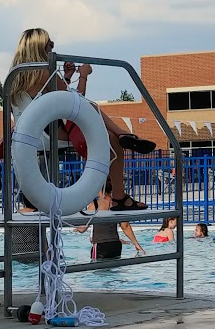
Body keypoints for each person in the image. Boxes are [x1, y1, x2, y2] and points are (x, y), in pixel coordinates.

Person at [8, 28, 155, 212]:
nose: (53, 45)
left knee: (102, 125)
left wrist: (67, 77)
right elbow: (77, 102)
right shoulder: (44, 72)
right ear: (39, 46)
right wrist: (84, 75)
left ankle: (123, 135)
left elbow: (54, 96)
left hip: (29, 137)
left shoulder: (16, 77)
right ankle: (119, 193)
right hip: (51, 134)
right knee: (110, 138)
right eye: (49, 42)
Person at [72, 193, 146, 260]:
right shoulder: (117, 204)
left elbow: (83, 229)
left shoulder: (94, 205)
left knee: (97, 268)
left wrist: (74, 226)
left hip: (101, 244)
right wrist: (136, 244)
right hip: (116, 244)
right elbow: (125, 226)